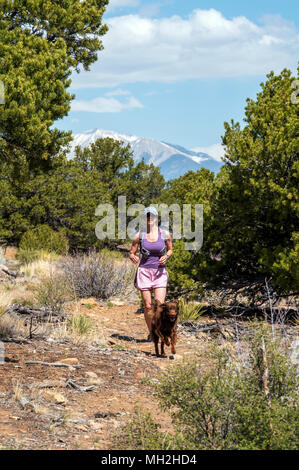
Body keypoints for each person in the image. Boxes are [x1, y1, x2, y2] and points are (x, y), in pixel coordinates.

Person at [129, 206, 173, 339]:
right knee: (148, 306)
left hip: (159, 273)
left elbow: (170, 250)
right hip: (144, 273)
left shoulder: (164, 234)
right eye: (147, 216)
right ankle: (152, 333)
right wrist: (133, 257)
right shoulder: (139, 235)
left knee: (159, 306)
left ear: (156, 218)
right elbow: (132, 252)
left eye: (152, 216)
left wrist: (167, 256)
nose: (149, 218)